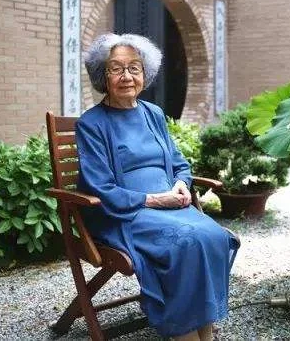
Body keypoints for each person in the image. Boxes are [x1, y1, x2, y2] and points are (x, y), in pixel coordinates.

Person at [76, 33, 238, 341]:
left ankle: (204, 333)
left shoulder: (153, 114)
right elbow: (100, 187)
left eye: (134, 68)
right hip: (124, 213)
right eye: (116, 68)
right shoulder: (91, 124)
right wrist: (154, 199)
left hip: (171, 206)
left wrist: (181, 184)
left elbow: (178, 163)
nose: (126, 76)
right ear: (102, 76)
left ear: (145, 73)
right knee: (187, 242)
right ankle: (184, 333)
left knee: (215, 237)